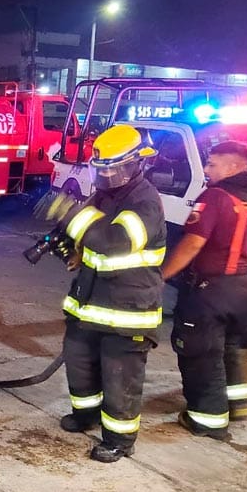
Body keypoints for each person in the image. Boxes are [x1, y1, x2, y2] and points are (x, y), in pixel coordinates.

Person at [56, 124, 167, 463]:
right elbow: (90, 240)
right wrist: (70, 247)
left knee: (120, 378)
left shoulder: (145, 201)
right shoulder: (107, 195)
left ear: (136, 164)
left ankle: (119, 439)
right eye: (102, 169)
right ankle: (86, 414)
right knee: (80, 363)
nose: (107, 175)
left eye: (114, 168)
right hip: (89, 305)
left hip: (127, 311)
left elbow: (111, 242)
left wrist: (69, 215)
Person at [161, 141, 247, 440]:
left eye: (213, 164)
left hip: (212, 292)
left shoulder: (214, 198)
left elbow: (193, 243)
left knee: (201, 353)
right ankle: (236, 403)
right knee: (228, 347)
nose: (208, 169)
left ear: (234, 166)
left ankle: (207, 417)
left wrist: (162, 275)